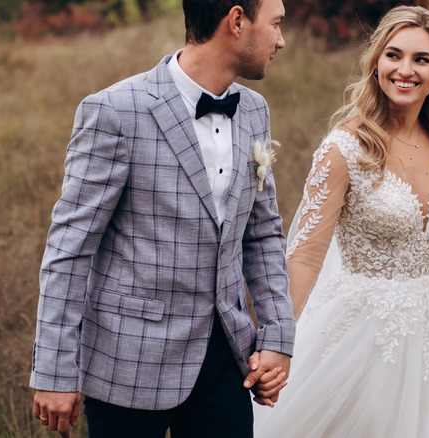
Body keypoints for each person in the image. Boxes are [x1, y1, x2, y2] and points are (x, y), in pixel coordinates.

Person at [253, 5, 429, 437]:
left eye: (421, 59)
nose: (405, 70)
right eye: (394, 55)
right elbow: (306, 258)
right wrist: (278, 341)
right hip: (364, 334)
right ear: (377, 63)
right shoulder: (345, 149)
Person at [29, 0, 295, 437]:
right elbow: (70, 248)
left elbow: (262, 233)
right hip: (127, 363)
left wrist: (276, 336)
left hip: (226, 363)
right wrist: (55, 370)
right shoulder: (116, 111)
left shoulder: (254, 111)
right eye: (277, 24)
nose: (281, 40)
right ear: (236, 21)